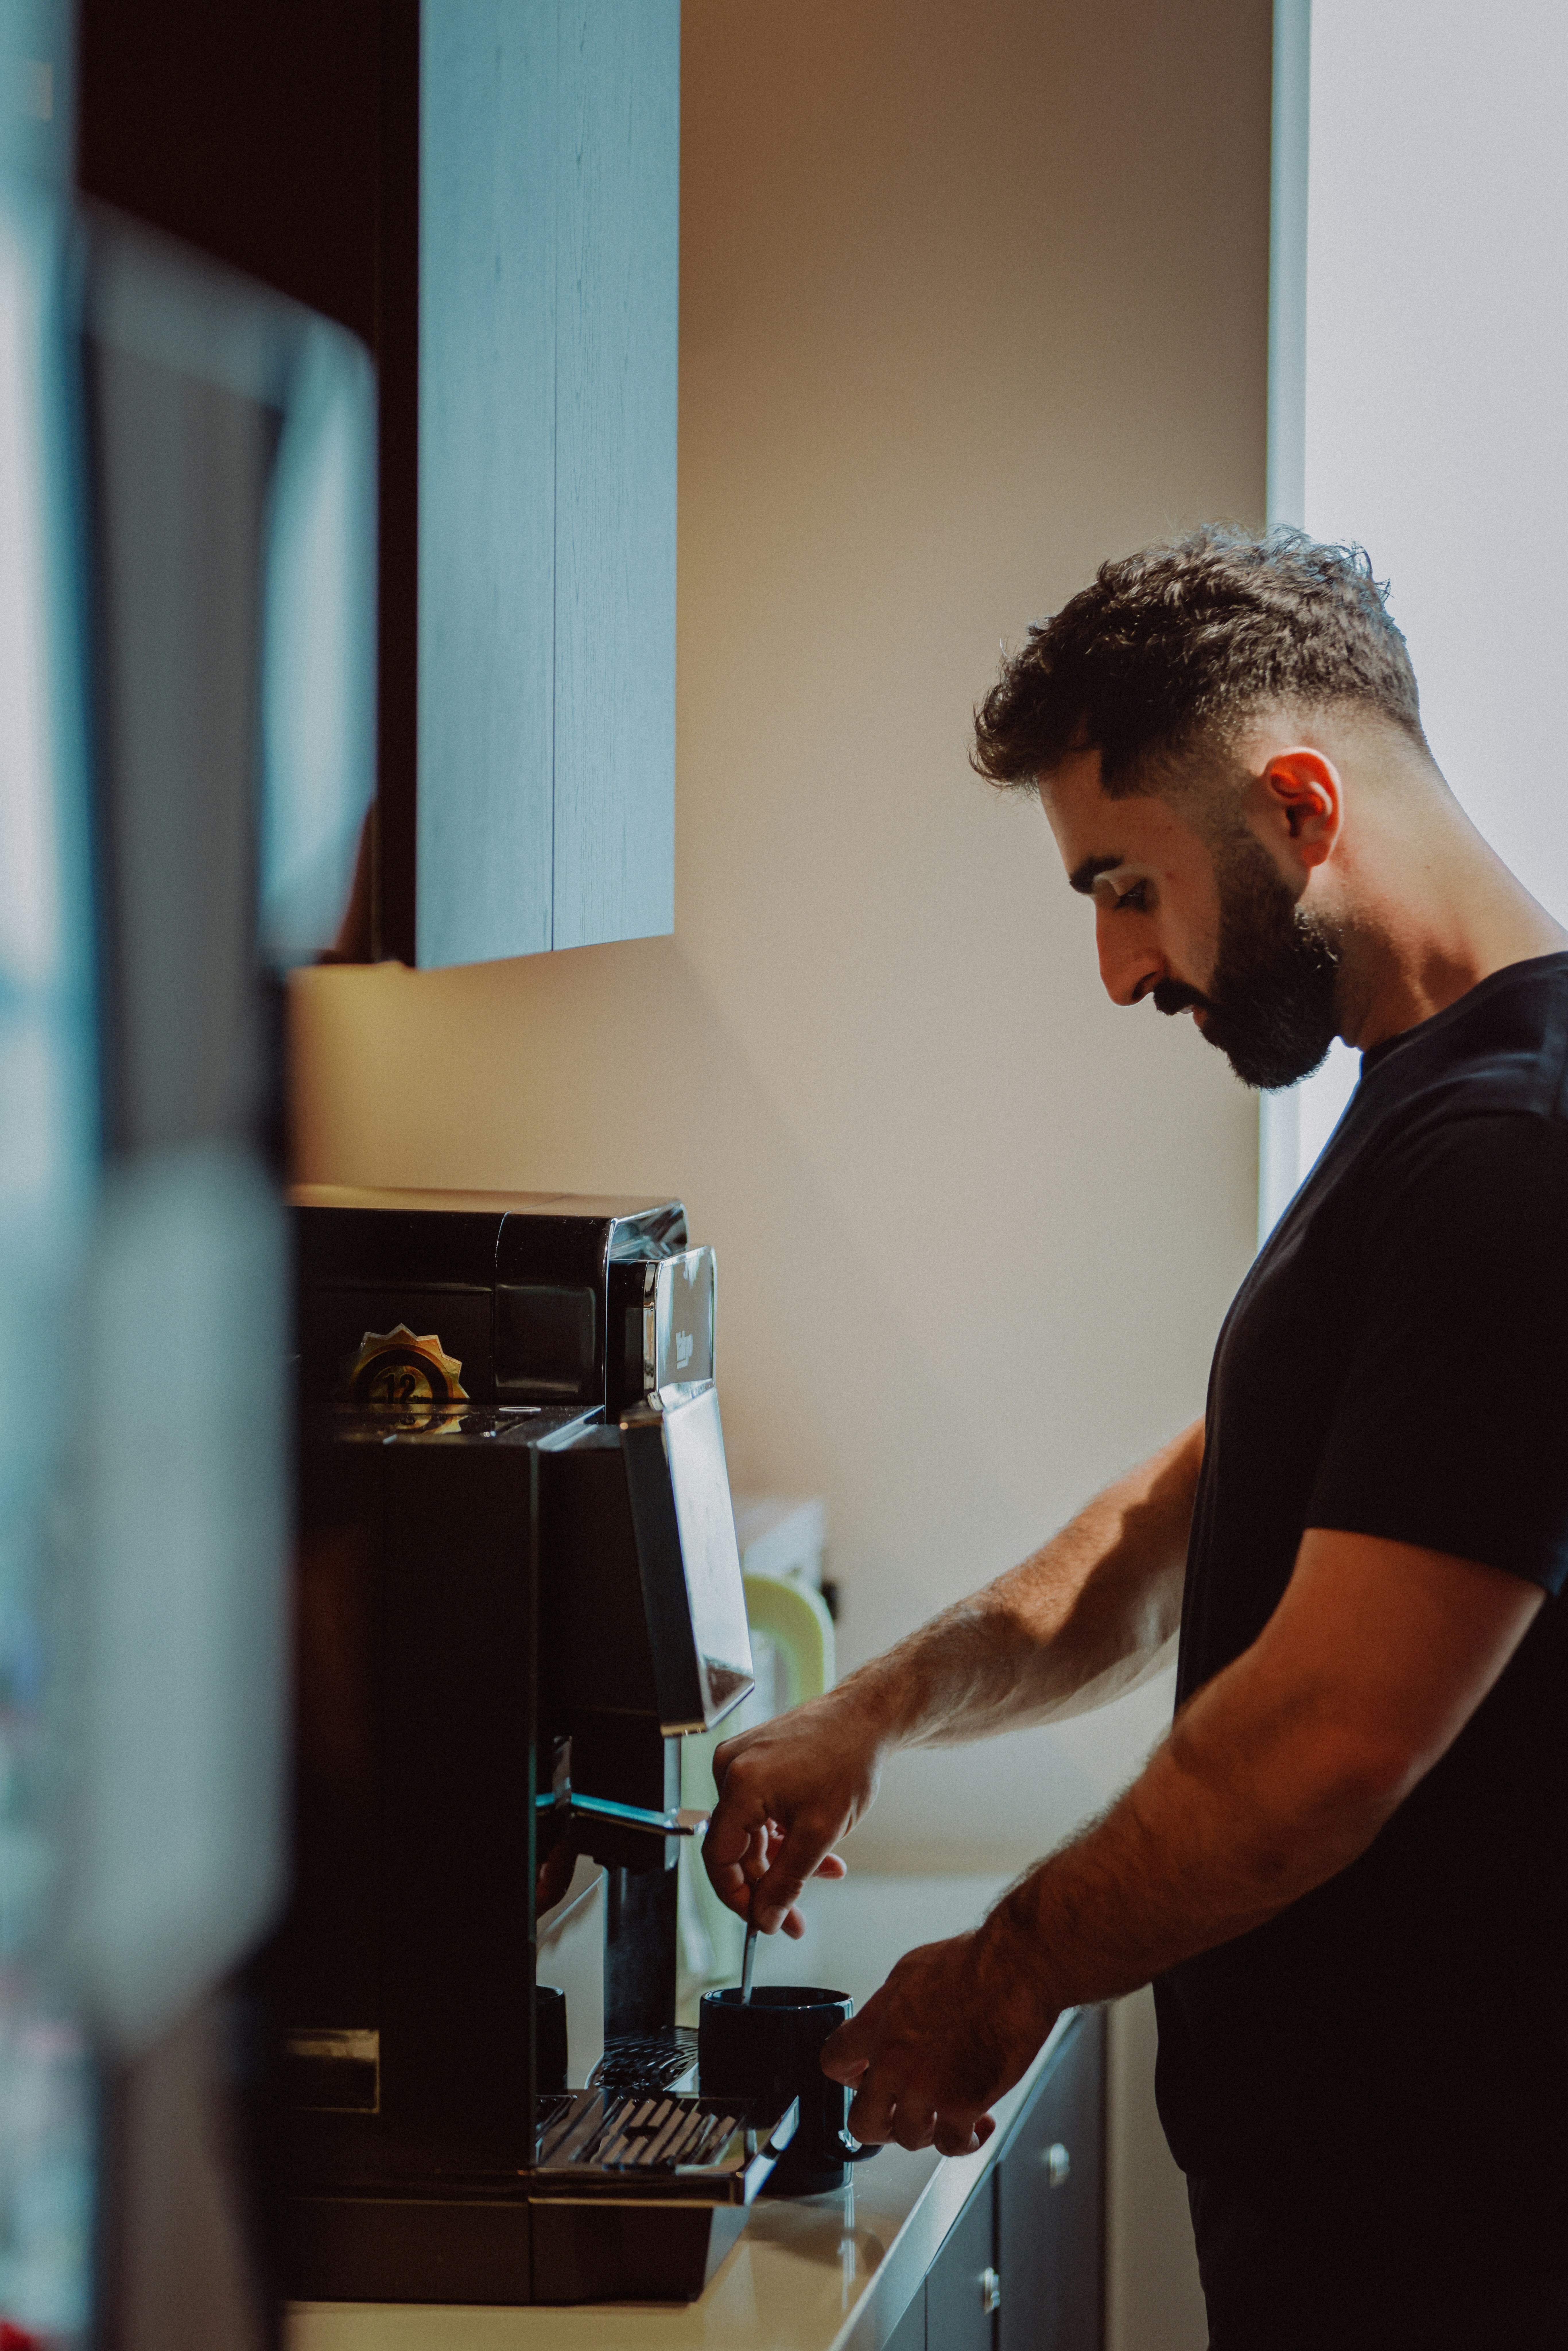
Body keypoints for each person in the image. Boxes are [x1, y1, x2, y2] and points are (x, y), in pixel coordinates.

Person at [702, 529, 1568, 2350]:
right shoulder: (1430, 1104)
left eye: (1124, 885)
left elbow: (1327, 1740)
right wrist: (880, 1706)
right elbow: (1193, 1502)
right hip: (1357, 2213)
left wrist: (1004, 1972)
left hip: (1457, 2242)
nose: (1118, 971)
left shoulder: (1511, 1156)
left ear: (1298, 808)